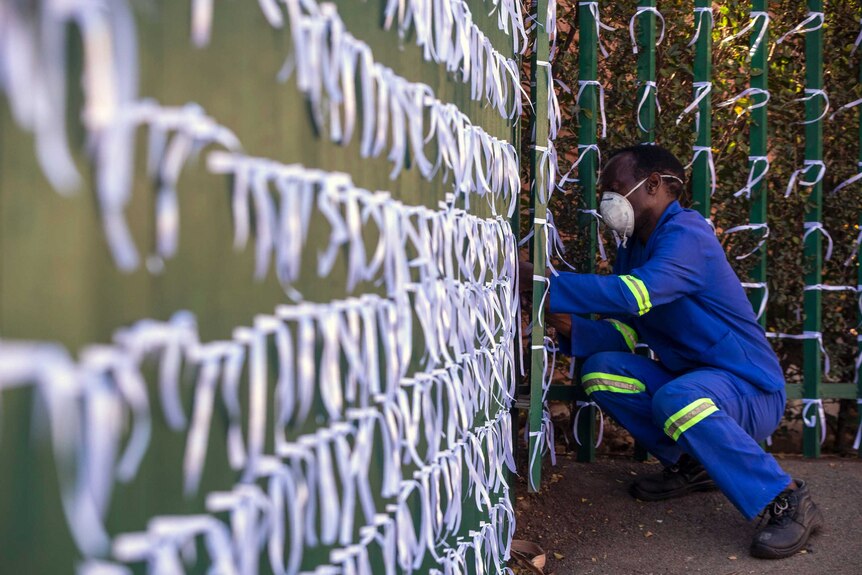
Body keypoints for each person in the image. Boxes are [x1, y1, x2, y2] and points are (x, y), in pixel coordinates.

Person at [519, 144, 822, 559]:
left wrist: (545, 285)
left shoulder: (688, 234)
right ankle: (696, 464)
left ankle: (785, 496)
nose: (608, 199)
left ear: (655, 185)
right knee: (602, 370)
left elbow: (636, 295)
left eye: (616, 188)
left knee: (678, 398)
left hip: (749, 390)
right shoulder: (633, 248)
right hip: (695, 384)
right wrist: (559, 317)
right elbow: (626, 333)